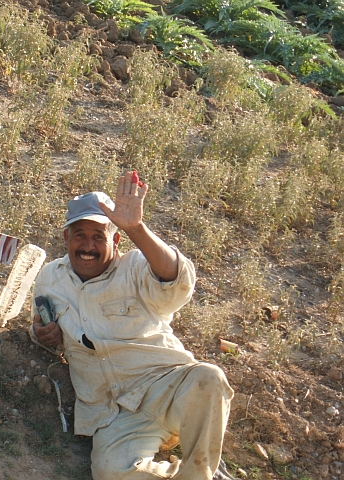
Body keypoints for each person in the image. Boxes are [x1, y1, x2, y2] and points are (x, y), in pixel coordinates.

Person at [29, 172, 235, 480]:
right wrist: (42, 334)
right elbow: (40, 330)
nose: (88, 246)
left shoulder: (137, 266)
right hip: (114, 412)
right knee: (111, 472)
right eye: (80, 235)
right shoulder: (49, 279)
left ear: (115, 239)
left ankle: (201, 471)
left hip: (167, 386)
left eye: (98, 236)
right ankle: (190, 472)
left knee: (209, 379)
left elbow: (178, 282)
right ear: (66, 238)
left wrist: (136, 227)